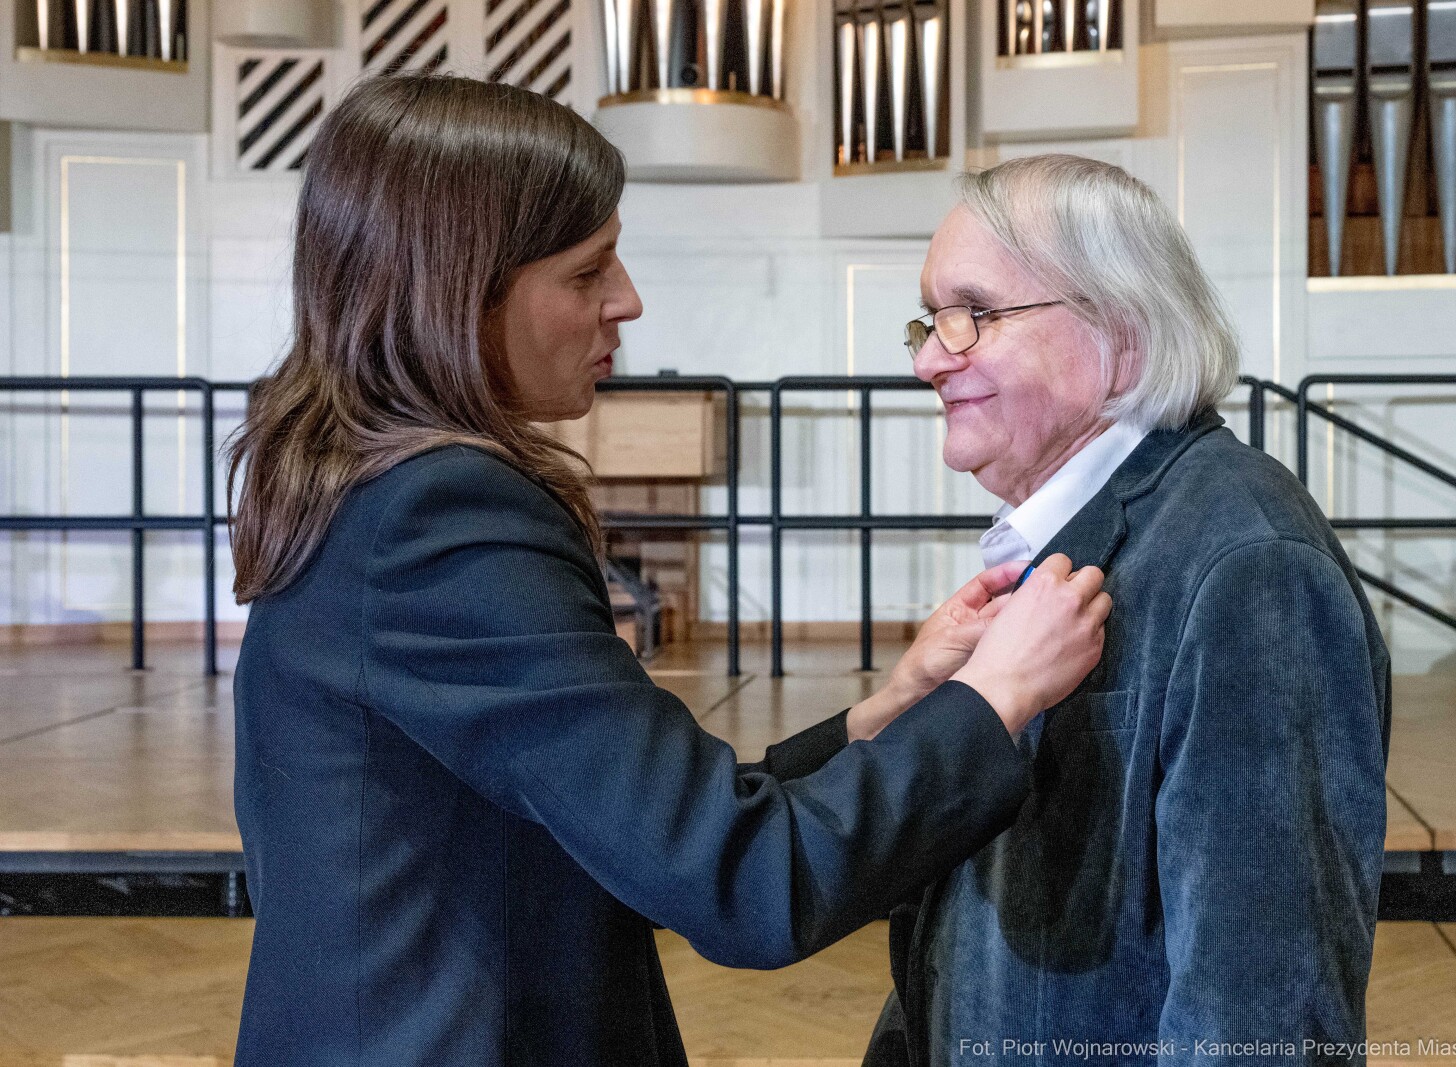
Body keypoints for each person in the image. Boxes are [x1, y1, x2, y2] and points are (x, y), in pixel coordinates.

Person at [225, 76, 1113, 1067]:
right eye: (586, 270)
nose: (627, 300)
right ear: (457, 288)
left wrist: (890, 709)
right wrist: (995, 698)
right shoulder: (440, 519)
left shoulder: (365, 484)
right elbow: (744, 881)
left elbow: (625, 821)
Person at [866, 155, 1391, 1066]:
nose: (927, 359)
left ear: (1125, 338)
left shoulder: (1250, 563)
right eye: (928, 318)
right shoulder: (1070, 534)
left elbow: (1261, 1017)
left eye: (973, 316)